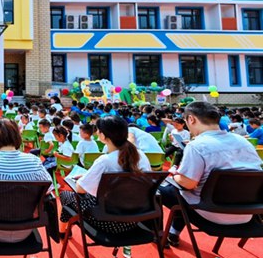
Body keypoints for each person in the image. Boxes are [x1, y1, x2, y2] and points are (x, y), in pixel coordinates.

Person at [159, 102, 262, 248]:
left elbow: (188, 184)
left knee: (163, 189)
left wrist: (175, 174)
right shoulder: (244, 142)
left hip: (210, 211)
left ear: (191, 119)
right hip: (248, 213)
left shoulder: (197, 146)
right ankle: (173, 232)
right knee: (182, 194)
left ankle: (159, 234)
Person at [60, 116, 151, 234]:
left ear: (103, 135)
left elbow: (80, 189)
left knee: (66, 196)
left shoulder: (105, 161)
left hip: (108, 221)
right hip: (136, 216)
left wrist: (83, 179)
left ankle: (63, 232)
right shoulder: (141, 156)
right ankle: (64, 231)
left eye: (98, 130)